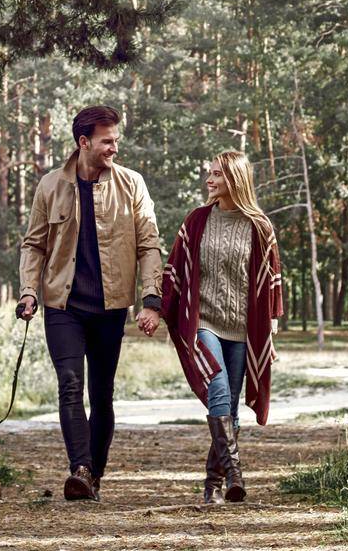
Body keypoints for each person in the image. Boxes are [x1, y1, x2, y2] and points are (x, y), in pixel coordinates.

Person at [17, 104, 163, 501]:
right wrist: (29, 291)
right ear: (84, 142)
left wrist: (151, 300)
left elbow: (149, 244)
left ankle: (94, 473)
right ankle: (79, 470)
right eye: (107, 141)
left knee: (101, 395)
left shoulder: (132, 184)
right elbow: (34, 245)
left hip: (110, 308)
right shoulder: (50, 186)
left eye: (116, 140)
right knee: (69, 386)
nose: (115, 147)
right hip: (63, 306)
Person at [162, 150, 283, 504]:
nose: (209, 180)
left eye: (216, 174)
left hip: (244, 330)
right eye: (210, 173)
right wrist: (158, 308)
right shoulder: (197, 220)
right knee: (218, 391)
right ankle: (235, 475)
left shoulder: (259, 227)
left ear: (234, 179)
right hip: (205, 323)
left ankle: (212, 484)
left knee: (229, 409)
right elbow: (175, 268)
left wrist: (270, 328)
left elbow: (271, 279)